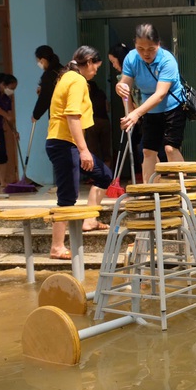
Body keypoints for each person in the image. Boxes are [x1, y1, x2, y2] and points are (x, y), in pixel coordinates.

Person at [46, 46, 113, 260]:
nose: (95, 72)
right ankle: (57, 246)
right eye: (96, 67)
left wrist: (82, 149)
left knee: (104, 175)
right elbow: (72, 115)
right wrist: (84, 150)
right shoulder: (76, 80)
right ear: (90, 61)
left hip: (68, 144)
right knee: (67, 196)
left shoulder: (67, 77)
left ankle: (90, 219)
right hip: (64, 144)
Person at [115, 24, 187, 183]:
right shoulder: (131, 58)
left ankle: (184, 191)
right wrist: (120, 88)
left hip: (172, 108)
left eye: (151, 49)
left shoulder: (167, 60)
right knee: (147, 151)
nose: (145, 53)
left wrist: (136, 113)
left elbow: (160, 94)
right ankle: (151, 192)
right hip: (149, 110)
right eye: (140, 48)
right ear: (135, 44)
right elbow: (125, 86)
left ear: (158, 44)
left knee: (170, 148)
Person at [108, 42, 143, 179]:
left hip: (147, 113)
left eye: (113, 61)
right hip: (138, 116)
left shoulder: (135, 73)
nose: (113, 65)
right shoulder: (121, 79)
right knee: (142, 149)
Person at [85, 80, 112, 169]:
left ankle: (94, 175)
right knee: (106, 148)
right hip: (105, 121)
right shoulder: (101, 93)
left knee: (92, 149)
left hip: (92, 122)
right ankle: (108, 173)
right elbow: (107, 108)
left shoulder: (86, 94)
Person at [32, 45, 63, 123]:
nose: (38, 63)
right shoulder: (63, 70)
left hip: (58, 115)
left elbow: (45, 98)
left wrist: (36, 115)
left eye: (38, 61)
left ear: (42, 60)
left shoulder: (48, 75)